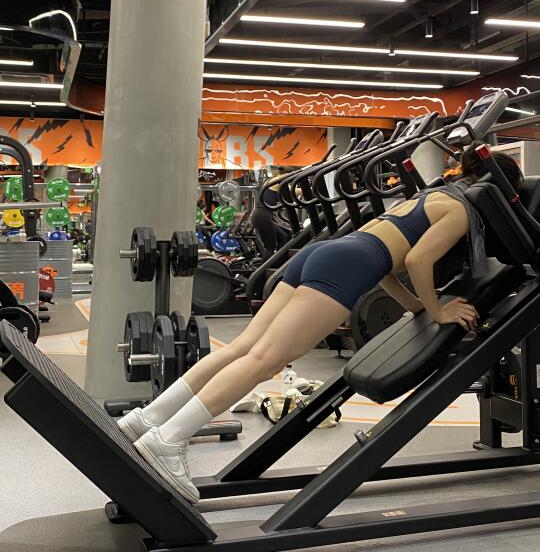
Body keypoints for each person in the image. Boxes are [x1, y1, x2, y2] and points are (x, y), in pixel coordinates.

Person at [118, 145, 524, 503]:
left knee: (244, 348)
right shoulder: (460, 210)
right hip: (345, 268)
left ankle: (149, 418)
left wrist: (415, 305)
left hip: (327, 253)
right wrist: (438, 311)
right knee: (264, 360)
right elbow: (418, 261)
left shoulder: (432, 195)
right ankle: (169, 438)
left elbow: (390, 261)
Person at [250, 167, 292, 262]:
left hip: (260, 215)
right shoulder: (280, 180)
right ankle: (263, 270)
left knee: (283, 236)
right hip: (263, 216)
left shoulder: (272, 180)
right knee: (270, 247)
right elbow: (292, 193)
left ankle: (279, 262)